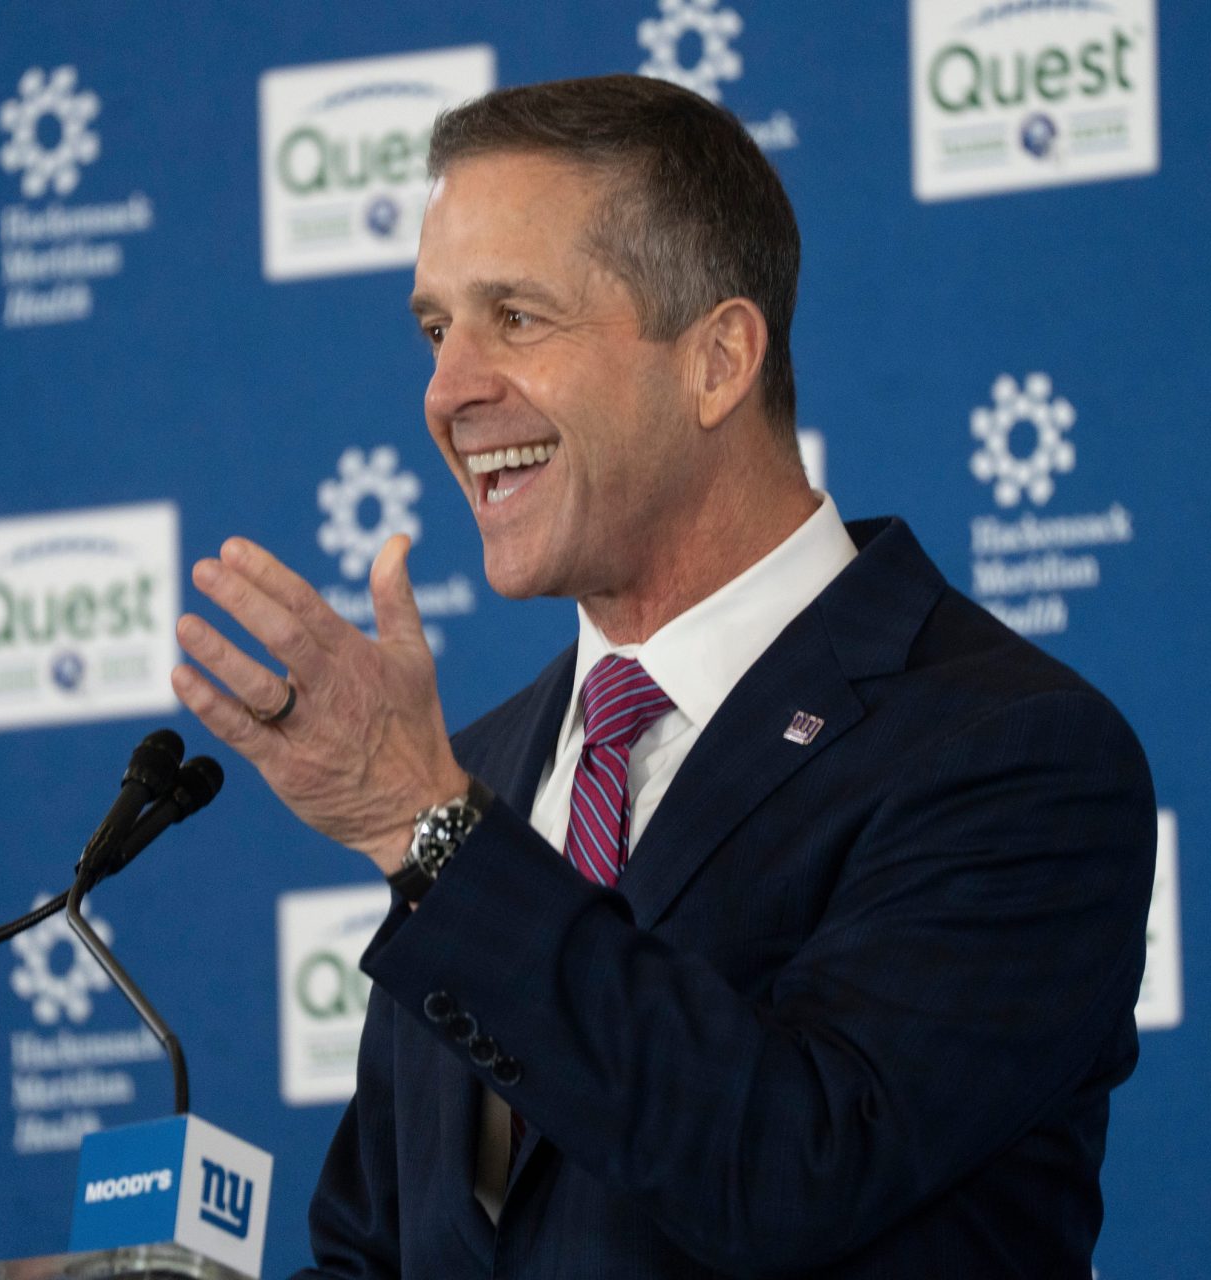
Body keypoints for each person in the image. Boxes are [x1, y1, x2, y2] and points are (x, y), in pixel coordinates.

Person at [171, 74, 1156, 1279]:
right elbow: (384, 1251)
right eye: (436, 329)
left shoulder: (1009, 751)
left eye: (517, 318)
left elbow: (792, 1170)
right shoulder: (475, 768)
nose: (446, 391)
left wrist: (425, 826)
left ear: (718, 359)